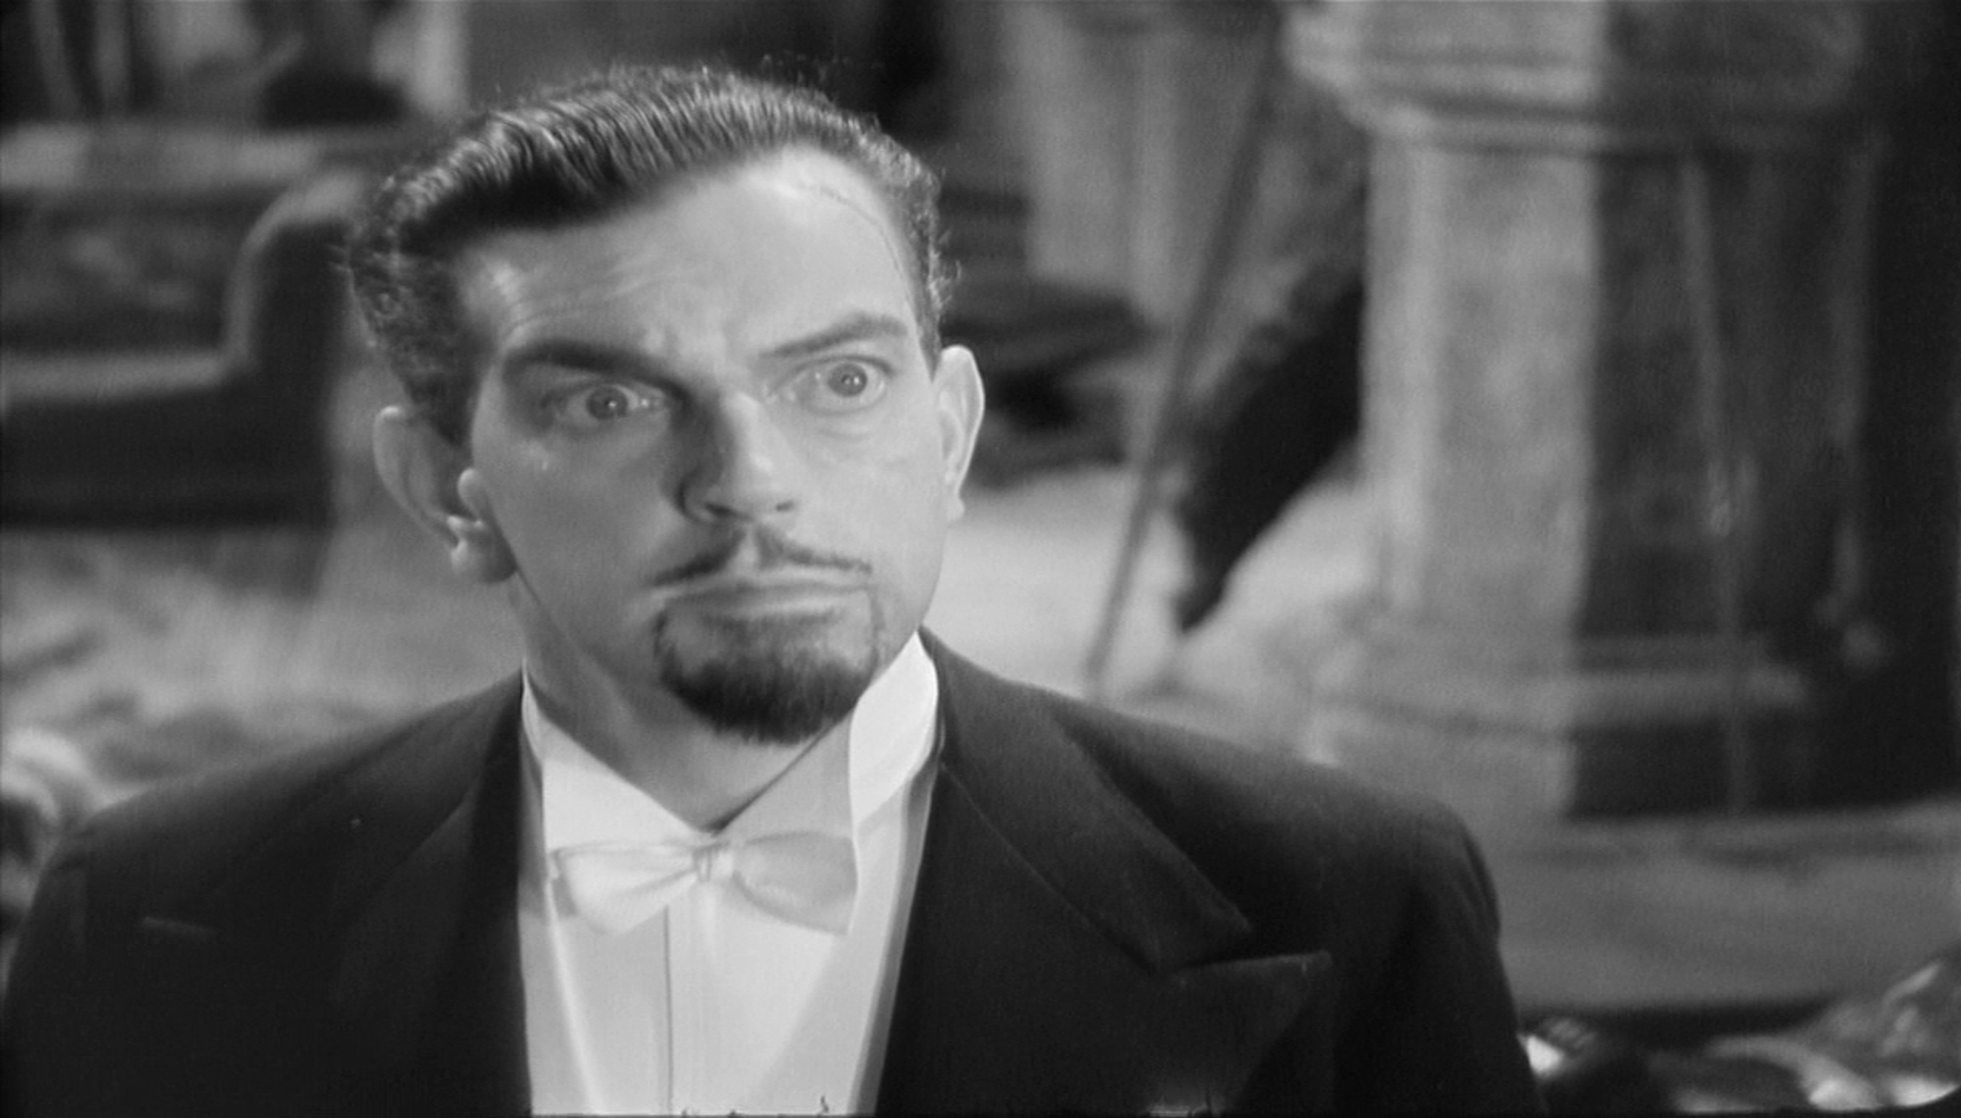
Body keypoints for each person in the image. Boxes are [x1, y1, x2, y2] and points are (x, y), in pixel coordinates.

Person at [2, 65, 1542, 1115]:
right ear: (447, 490)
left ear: (950, 433)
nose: (749, 478)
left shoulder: (1349, 901)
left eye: (839, 380)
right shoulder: (150, 915)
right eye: (612, 402)